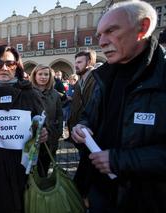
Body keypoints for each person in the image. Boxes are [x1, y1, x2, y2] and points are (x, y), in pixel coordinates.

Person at [71, 1, 166, 212]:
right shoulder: (104, 76)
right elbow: (90, 115)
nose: (102, 42)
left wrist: (121, 161)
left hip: (146, 200)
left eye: (111, 31)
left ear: (142, 28)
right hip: (100, 194)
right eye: (99, 36)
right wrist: (82, 127)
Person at [0, 45, 48, 213]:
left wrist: (43, 134)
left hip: (24, 170)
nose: (4, 68)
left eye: (10, 63)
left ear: (17, 66)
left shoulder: (31, 94)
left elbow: (42, 126)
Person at [30, 64, 63, 177]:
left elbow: (59, 114)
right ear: (34, 75)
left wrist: (58, 132)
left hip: (51, 137)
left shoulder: (55, 94)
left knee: (45, 165)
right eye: (40, 74)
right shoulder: (28, 93)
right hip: (33, 138)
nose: (43, 77)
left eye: (46, 74)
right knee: (32, 168)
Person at [68, 50, 96, 139]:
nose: (76, 65)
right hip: (79, 128)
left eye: (79, 62)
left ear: (89, 62)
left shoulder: (97, 80)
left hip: (91, 130)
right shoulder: (79, 82)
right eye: (75, 62)